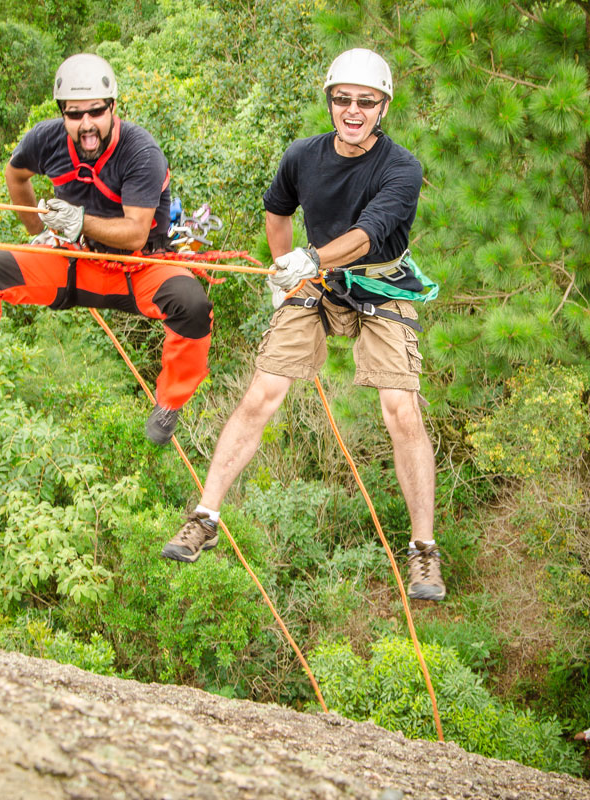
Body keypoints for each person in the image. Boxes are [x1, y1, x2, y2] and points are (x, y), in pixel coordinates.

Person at [158, 48, 446, 602]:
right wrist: (284, 269)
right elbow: (277, 209)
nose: (353, 110)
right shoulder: (302, 156)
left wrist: (311, 261)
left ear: (383, 106)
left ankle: (424, 551)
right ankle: (204, 516)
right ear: (330, 103)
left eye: (366, 101)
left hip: (381, 282)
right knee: (263, 392)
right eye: (343, 100)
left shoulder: (401, 168)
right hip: (315, 282)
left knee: (400, 408)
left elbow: (370, 231)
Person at [0, 53, 212, 445]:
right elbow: (16, 175)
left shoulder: (140, 152)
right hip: (74, 261)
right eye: (74, 114)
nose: (85, 124)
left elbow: (137, 233)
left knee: (192, 305)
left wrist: (79, 220)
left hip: (140, 268)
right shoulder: (46, 139)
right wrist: (39, 231)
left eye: (95, 112)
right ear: (62, 114)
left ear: (112, 108)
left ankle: (169, 403)